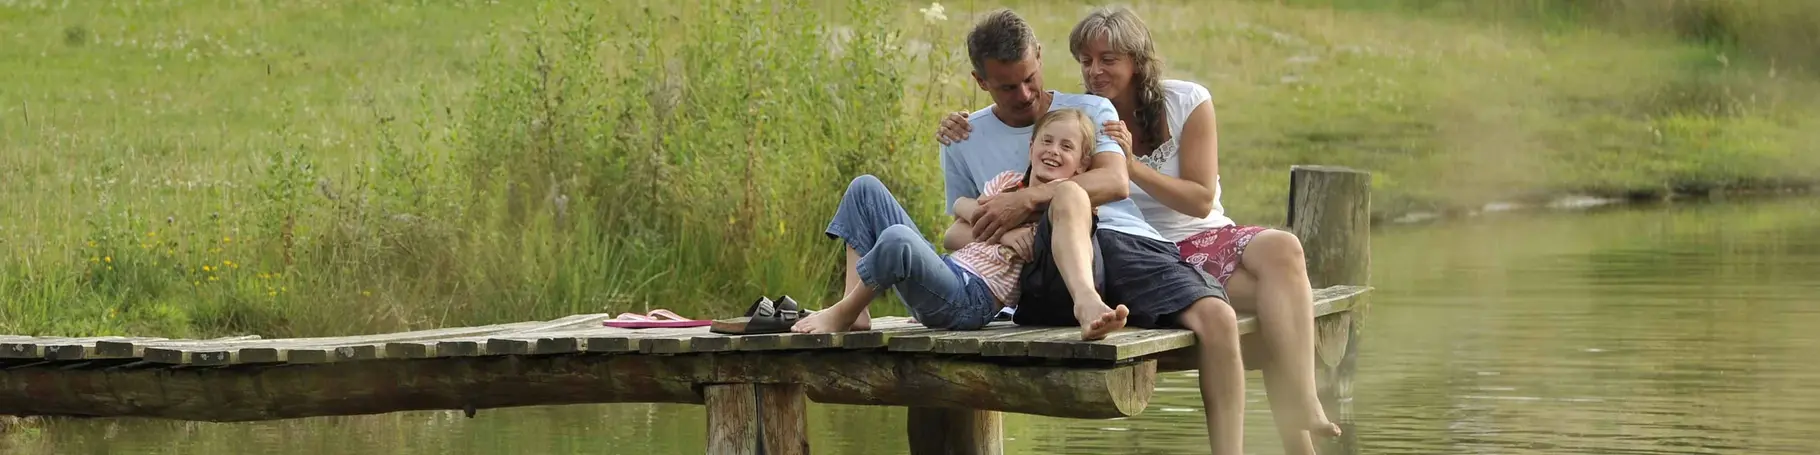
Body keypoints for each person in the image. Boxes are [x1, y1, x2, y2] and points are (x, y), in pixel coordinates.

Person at [934, 6, 1342, 454]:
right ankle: (1088, 302)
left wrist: (1026, 198)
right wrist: (1008, 229)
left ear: (1040, 57)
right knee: (1070, 199)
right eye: (1009, 86)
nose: (1026, 94)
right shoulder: (964, 137)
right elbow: (958, 226)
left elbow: (1114, 180)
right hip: (1051, 261)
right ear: (982, 81)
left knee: (1223, 315)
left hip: (1130, 241)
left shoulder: (1088, 108)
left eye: (1032, 77)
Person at [790, 109, 1102, 334]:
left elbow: (1040, 237)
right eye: (1047, 141)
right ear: (1031, 146)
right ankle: (855, 307)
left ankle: (843, 314)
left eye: (1066, 147)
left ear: (1082, 164)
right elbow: (954, 232)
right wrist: (1001, 233)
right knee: (865, 188)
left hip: (972, 299)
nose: (1053, 151)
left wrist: (981, 218)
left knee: (898, 239)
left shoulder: (1063, 206)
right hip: (949, 272)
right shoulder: (1007, 183)